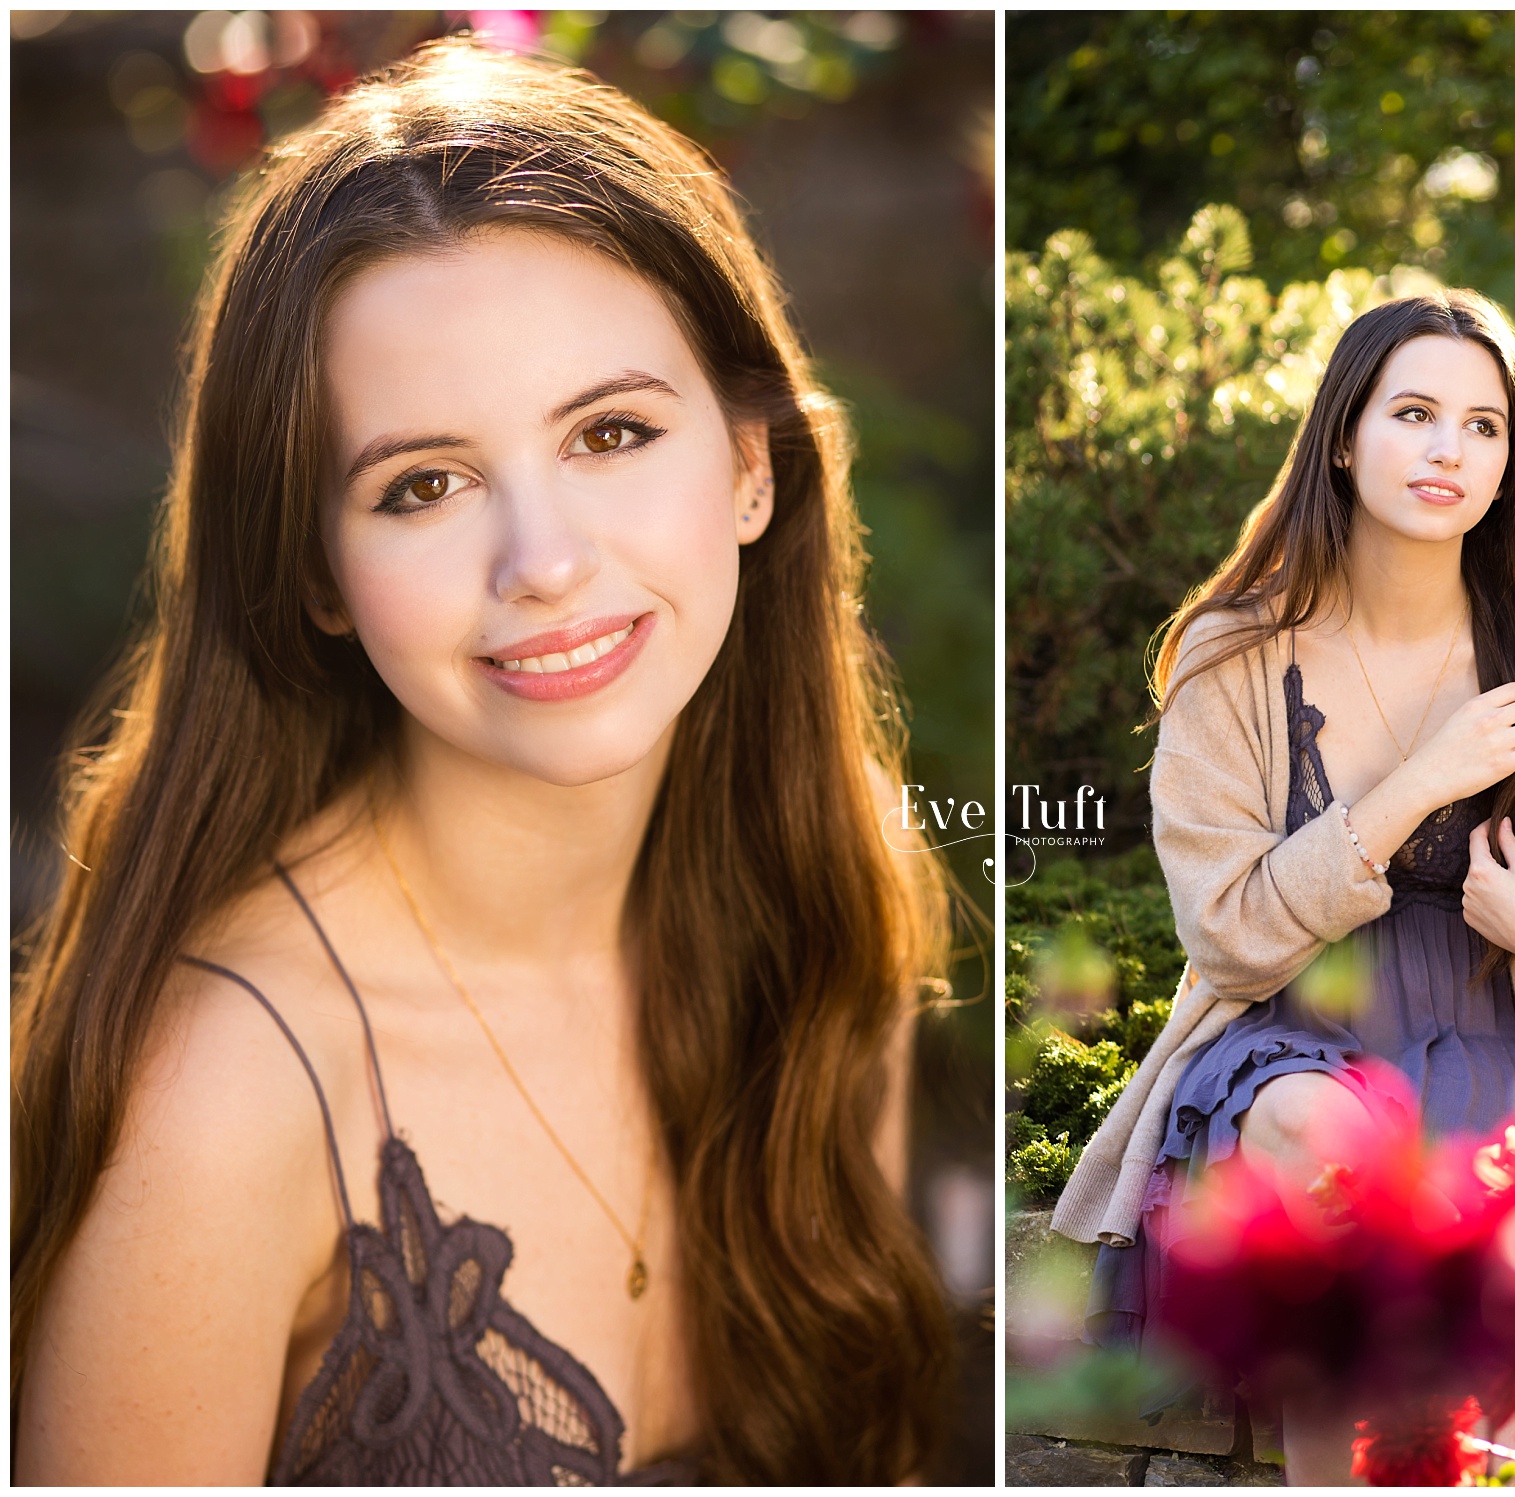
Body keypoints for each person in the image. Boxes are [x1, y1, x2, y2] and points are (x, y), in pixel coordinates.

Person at [12, 38, 955, 1485]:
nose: (546, 562)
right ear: (319, 571)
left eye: (612, 431)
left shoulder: (832, 900)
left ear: (753, 464)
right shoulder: (222, 1097)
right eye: (424, 484)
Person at [1048, 289, 1515, 1483]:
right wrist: (1416, 785)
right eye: (1412, 413)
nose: (1448, 449)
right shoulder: (1231, 652)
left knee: (1496, 1359)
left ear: (1508, 464)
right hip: (1289, 1040)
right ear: (1343, 436)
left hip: (1494, 1034)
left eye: (1481, 426)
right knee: (1330, 1141)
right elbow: (1228, 932)